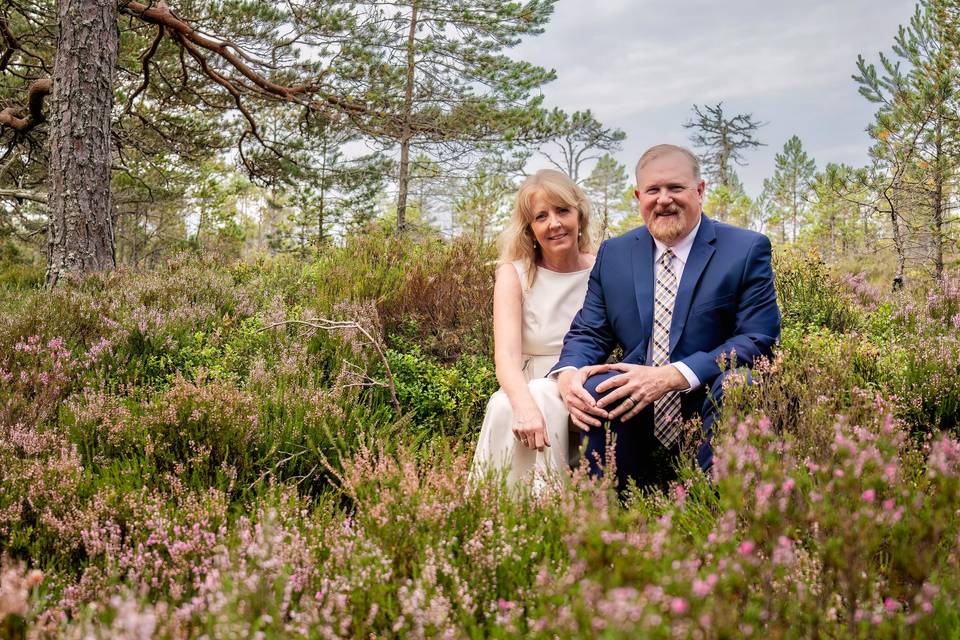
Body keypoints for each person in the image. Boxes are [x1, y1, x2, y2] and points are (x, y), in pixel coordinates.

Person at [551, 144, 781, 493]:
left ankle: (715, 511)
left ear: (700, 190)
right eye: (653, 191)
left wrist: (673, 375)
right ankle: (608, 511)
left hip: (705, 396)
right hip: (635, 410)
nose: (664, 200)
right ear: (638, 196)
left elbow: (757, 339)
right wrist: (568, 373)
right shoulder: (615, 254)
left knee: (739, 385)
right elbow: (591, 331)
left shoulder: (745, 250)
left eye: (675, 188)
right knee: (592, 389)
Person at [470, 169, 599, 491]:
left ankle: (550, 508)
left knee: (544, 396)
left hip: (583, 382)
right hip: (526, 382)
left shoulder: (601, 267)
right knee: (504, 405)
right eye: (541, 216)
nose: (554, 223)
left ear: (579, 215)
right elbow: (507, 355)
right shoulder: (514, 274)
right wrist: (524, 405)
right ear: (530, 228)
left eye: (562, 211)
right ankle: (492, 512)